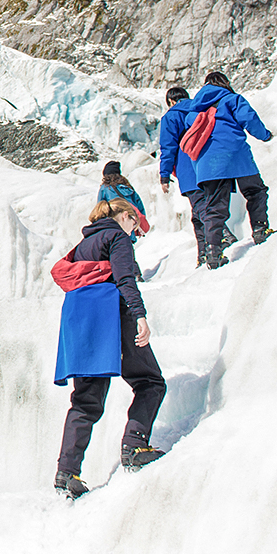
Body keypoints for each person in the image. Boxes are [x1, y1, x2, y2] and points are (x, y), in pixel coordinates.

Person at [50, 198, 167, 498]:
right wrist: (139, 315)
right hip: (110, 315)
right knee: (150, 382)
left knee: (86, 400)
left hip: (79, 318)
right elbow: (125, 278)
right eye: (135, 227)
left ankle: (67, 473)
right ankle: (135, 445)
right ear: (127, 216)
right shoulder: (117, 236)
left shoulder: (82, 245)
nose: (134, 233)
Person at [184, 70, 276, 267]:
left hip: (207, 164)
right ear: (224, 82)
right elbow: (250, 120)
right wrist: (266, 136)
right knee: (255, 191)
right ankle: (260, 230)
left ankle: (213, 251)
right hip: (236, 155)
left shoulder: (193, 111)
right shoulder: (232, 99)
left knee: (214, 207)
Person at [157, 86, 211, 266]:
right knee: (202, 210)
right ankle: (203, 253)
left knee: (201, 208)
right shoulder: (201, 108)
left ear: (171, 101)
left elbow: (168, 148)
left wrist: (164, 176)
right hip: (210, 163)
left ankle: (223, 238)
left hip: (188, 167)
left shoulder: (171, 116)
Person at [97, 160, 148, 230]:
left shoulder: (104, 188)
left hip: (114, 223)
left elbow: (100, 208)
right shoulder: (127, 186)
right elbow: (139, 205)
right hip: (130, 221)